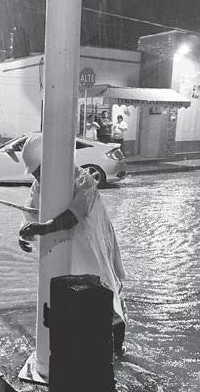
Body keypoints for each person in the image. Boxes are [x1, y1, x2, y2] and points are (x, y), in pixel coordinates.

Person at [18, 133, 127, 356]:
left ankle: (118, 352)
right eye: (35, 173)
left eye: (39, 171)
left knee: (109, 297)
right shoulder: (39, 187)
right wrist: (24, 233)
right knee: (75, 301)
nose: (37, 177)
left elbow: (73, 215)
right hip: (70, 252)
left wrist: (43, 228)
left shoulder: (82, 180)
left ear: (53, 162)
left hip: (95, 248)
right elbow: (30, 214)